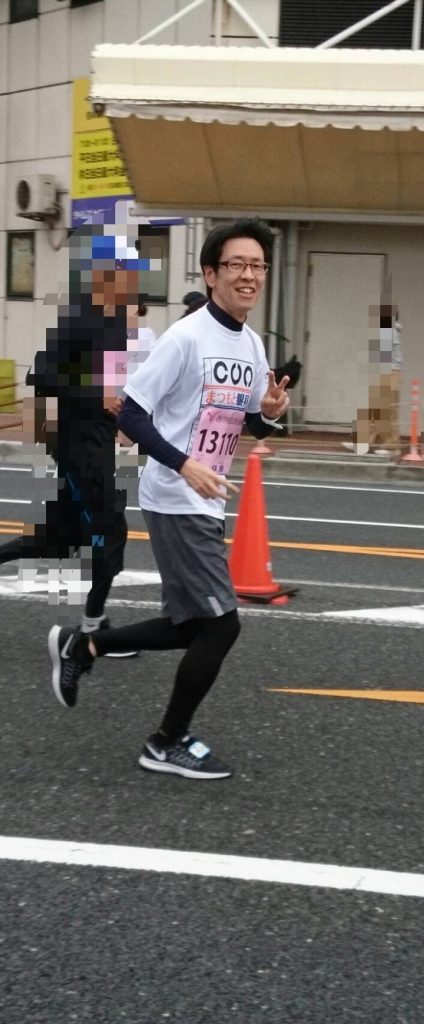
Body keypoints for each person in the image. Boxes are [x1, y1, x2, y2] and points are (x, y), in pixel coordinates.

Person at [48, 217, 290, 781]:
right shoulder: (185, 337)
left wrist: (270, 414)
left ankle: (83, 649)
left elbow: (247, 421)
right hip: (178, 496)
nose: (249, 275)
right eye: (236, 264)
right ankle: (166, 740)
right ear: (210, 274)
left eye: (257, 266)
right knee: (222, 626)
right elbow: (132, 413)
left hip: (205, 496)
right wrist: (185, 464)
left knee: (191, 625)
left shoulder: (251, 344)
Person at [0, 226, 152, 658]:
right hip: (76, 444)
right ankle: (92, 631)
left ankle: (93, 625)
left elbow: (111, 384)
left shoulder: (117, 322)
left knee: (58, 538)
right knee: (111, 530)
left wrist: (119, 413)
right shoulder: (80, 317)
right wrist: (97, 396)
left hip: (95, 439)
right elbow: (41, 375)